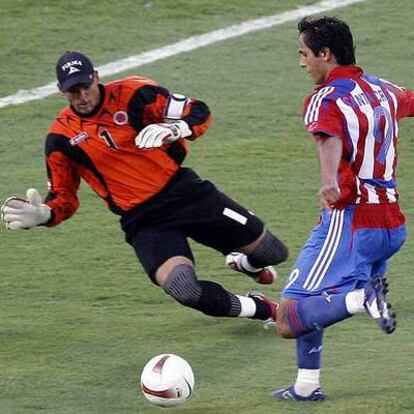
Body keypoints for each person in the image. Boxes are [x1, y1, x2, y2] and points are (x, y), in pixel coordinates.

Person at [1, 51, 288, 325]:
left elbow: (198, 110)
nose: (82, 96)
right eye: (73, 91)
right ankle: (261, 309)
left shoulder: (136, 94)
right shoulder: (60, 137)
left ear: (97, 77)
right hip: (144, 221)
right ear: (61, 91)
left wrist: (176, 129)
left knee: (274, 252)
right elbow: (63, 198)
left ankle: (247, 264)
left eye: (85, 86)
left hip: (187, 194)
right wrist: (45, 215)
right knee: (183, 288)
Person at [265, 16, 413, 401]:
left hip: (351, 221)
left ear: (325, 54)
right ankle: (306, 387)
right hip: (392, 225)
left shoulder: (326, 97)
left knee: (286, 318)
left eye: (303, 54)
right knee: (308, 298)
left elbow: (327, 136)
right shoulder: (382, 89)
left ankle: (362, 298)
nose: (302, 63)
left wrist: (329, 180)